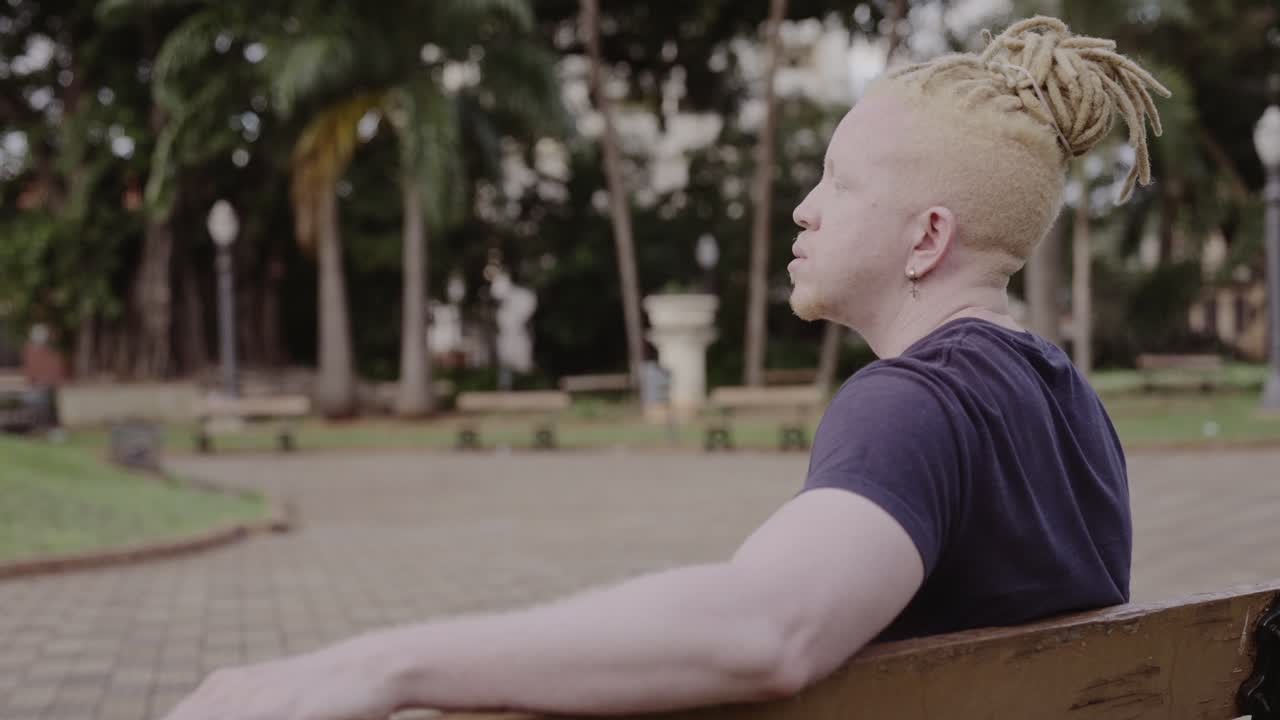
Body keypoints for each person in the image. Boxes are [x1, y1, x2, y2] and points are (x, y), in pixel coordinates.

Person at [163, 16, 1167, 720]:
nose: (804, 208)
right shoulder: (1066, 402)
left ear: (926, 238)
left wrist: (383, 665)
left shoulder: (911, 405)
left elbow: (769, 633)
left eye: (839, 184)